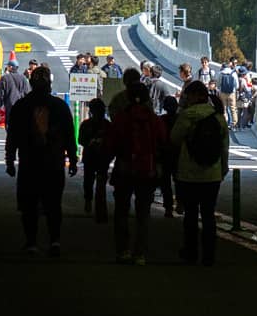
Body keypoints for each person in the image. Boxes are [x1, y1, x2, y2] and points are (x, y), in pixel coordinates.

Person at [5, 66, 78, 255]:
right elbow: (70, 135)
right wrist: (73, 158)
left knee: (29, 205)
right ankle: (55, 241)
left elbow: (12, 136)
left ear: (30, 83)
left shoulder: (21, 106)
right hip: (53, 162)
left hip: (29, 162)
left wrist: (10, 160)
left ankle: (31, 242)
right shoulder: (60, 106)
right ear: (50, 84)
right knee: (53, 204)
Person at [105, 75, 167, 265]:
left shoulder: (122, 118)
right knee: (143, 214)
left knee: (122, 211)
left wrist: (104, 165)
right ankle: (139, 253)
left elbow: (111, 144)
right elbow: (163, 143)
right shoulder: (153, 120)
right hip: (146, 170)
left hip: (124, 169)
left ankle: (123, 250)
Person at [173, 81, 229, 265]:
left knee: (190, 214)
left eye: (187, 96)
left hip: (188, 173)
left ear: (195, 96)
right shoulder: (218, 118)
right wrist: (223, 169)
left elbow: (174, 140)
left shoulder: (187, 116)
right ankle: (209, 255)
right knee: (208, 214)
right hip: (212, 175)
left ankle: (190, 252)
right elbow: (224, 148)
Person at [78, 98, 111, 221]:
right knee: (97, 182)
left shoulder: (86, 124)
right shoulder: (107, 125)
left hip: (93, 157)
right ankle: (98, 207)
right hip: (100, 157)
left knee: (90, 180)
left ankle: (90, 202)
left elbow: (80, 140)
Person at [160, 94, 181, 217]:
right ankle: (180, 203)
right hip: (178, 154)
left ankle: (168, 207)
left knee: (165, 183)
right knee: (179, 181)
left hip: (164, 154)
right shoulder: (181, 119)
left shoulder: (161, 120)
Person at [217, 60, 239, 128]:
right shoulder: (233, 73)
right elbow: (237, 85)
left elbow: (218, 84)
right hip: (231, 93)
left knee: (224, 109)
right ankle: (234, 124)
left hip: (223, 93)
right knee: (233, 109)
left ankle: (225, 123)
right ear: (229, 66)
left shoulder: (221, 73)